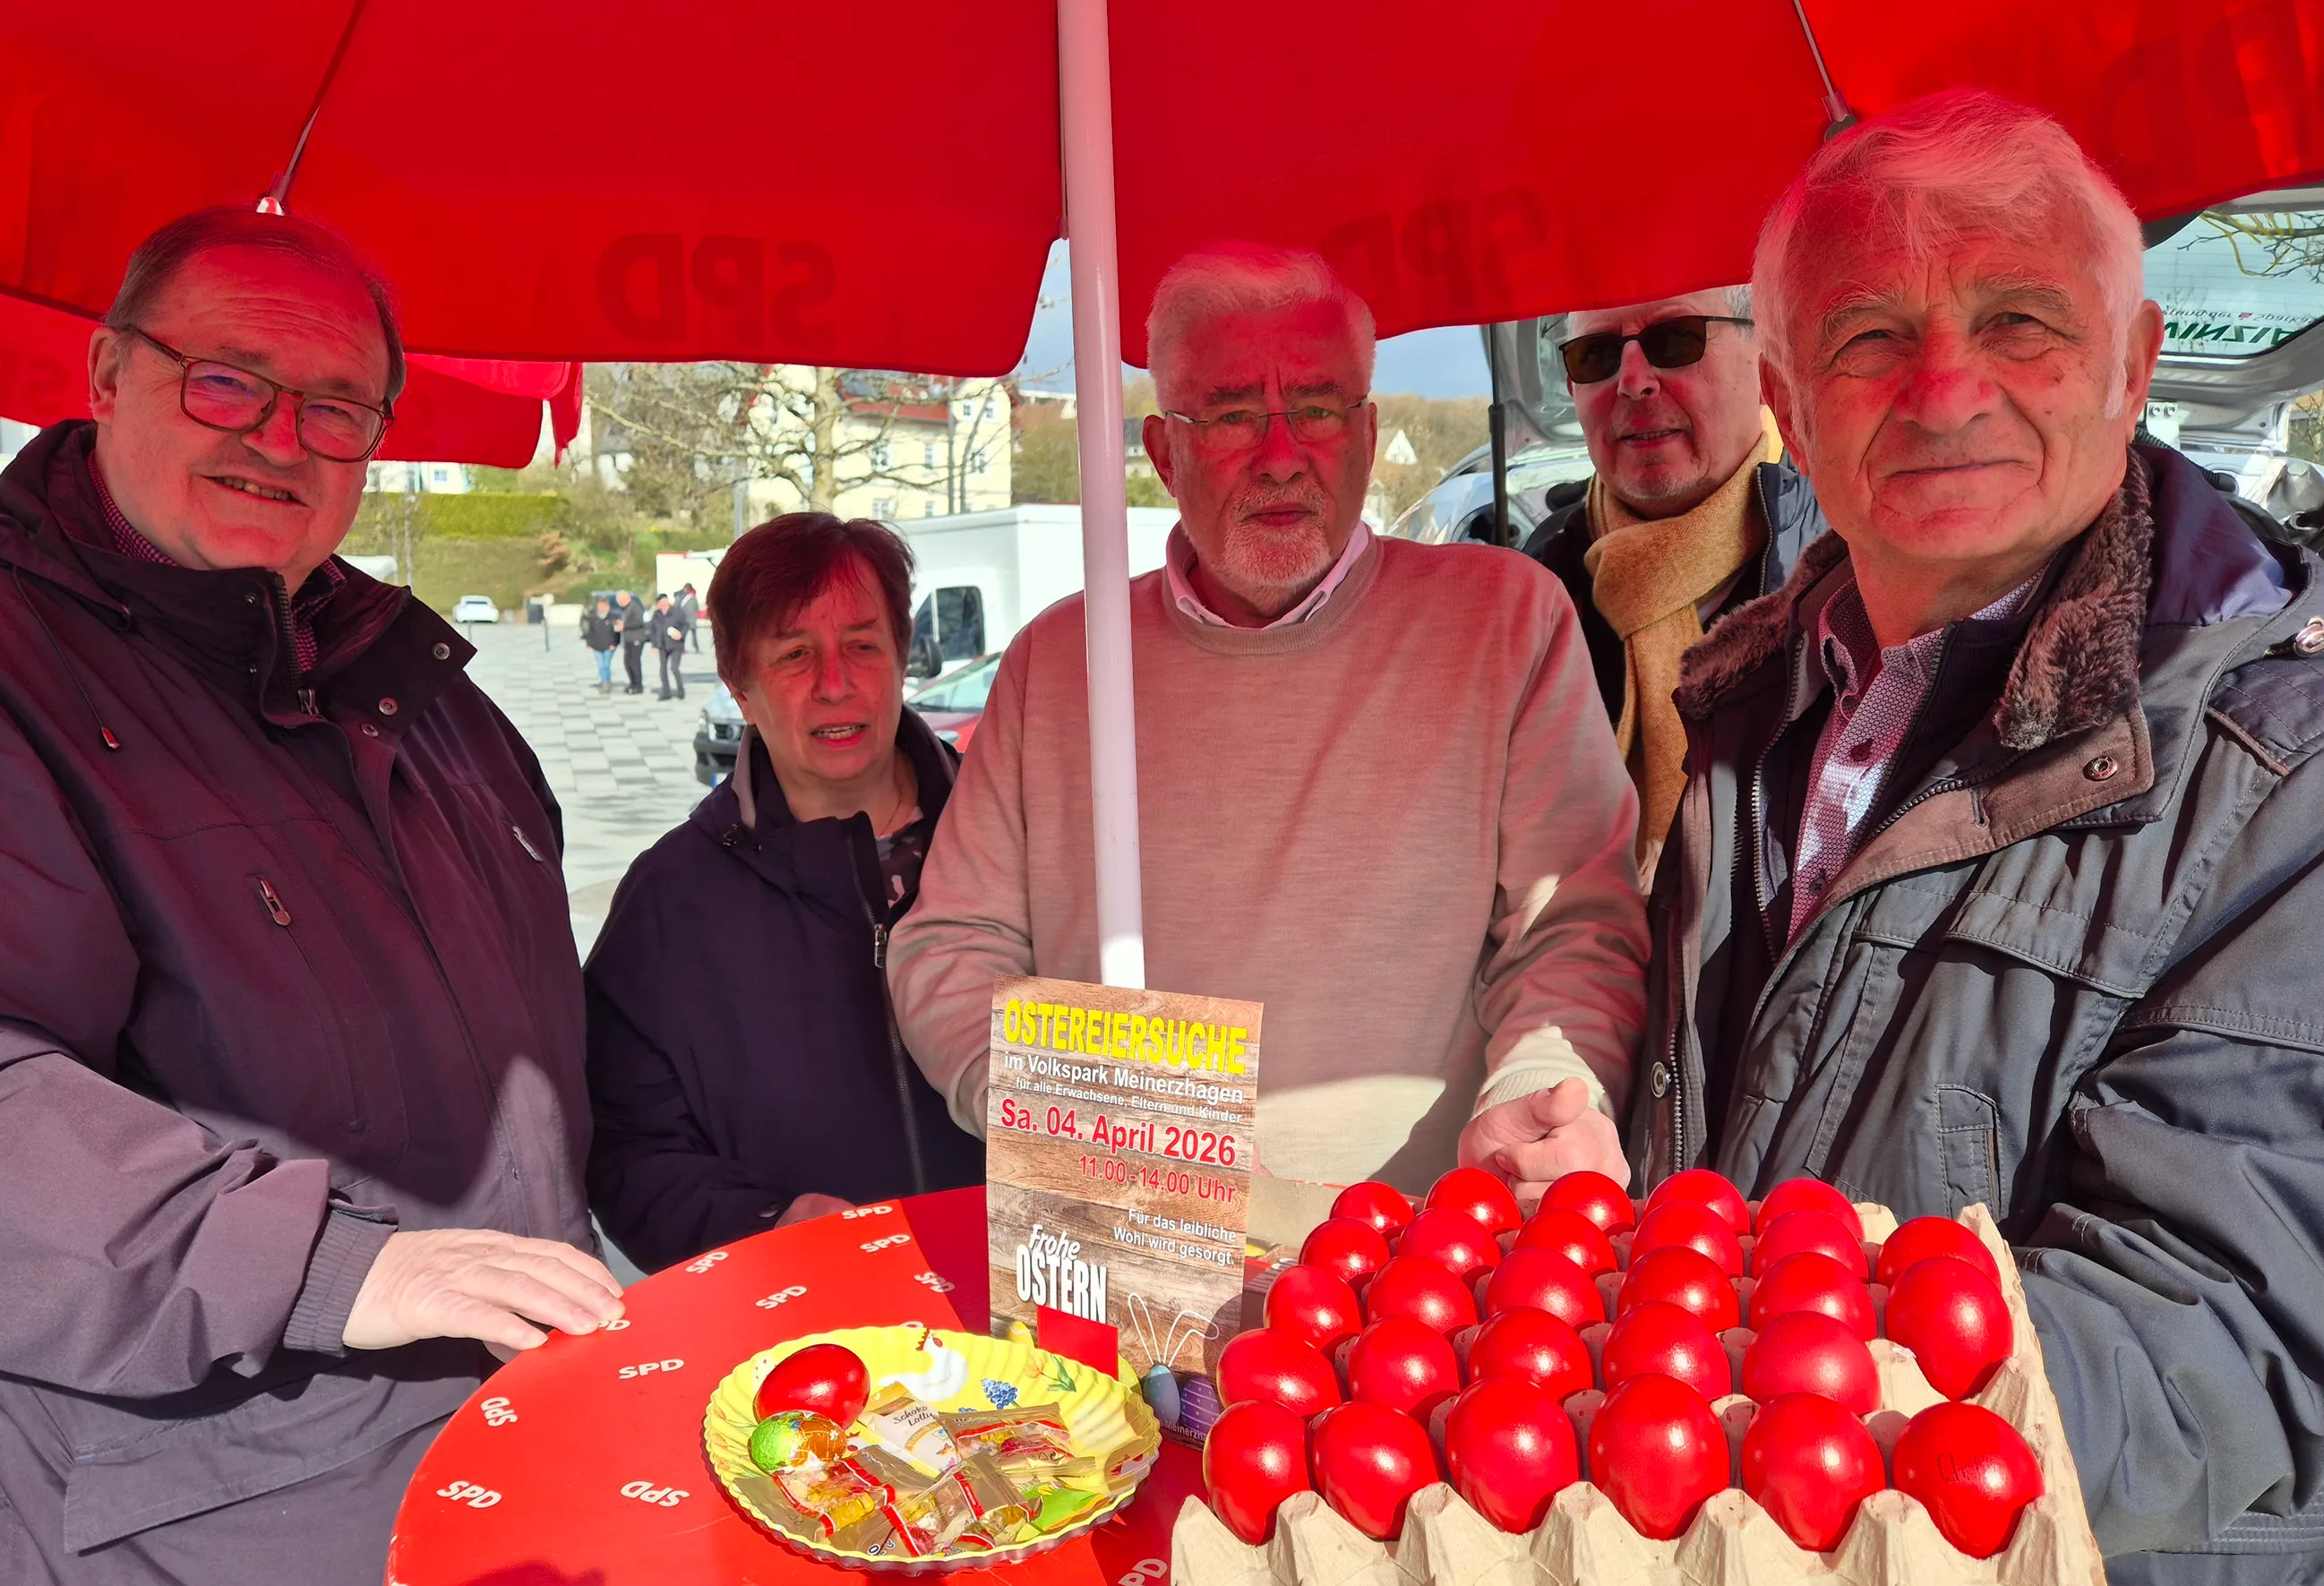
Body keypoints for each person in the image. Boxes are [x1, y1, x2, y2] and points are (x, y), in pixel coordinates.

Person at [0, 206, 621, 1586]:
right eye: (227, 382)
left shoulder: (419, 692)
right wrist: (339, 1265)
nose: (278, 438)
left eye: (335, 407)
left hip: (476, 1520)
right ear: (106, 376)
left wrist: (750, 1215)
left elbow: (548, 1063)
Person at [1627, 89, 2324, 1586]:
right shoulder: (1757, 706)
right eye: (1871, 337)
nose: (1946, 389)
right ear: (1790, 409)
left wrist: (1757, 1408)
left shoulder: (2293, 769)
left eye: (2020, 320)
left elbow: (2227, 1322)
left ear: (2134, 362)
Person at [889, 243, 1648, 1228]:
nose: (1281, 454)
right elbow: (951, 945)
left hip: (1414, 1261)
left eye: (1319, 408)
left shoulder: (1505, 622)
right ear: (1163, 453)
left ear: (1367, 433)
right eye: (1233, 414)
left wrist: (1542, 1089)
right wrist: (1044, 1097)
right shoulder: (1058, 664)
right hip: (1124, 1240)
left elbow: (1572, 929)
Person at [585, 513, 981, 1268]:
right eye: (795, 655)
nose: (836, 684)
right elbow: (626, 1148)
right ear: (739, 687)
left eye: (863, 645)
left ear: (903, 658)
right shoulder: (672, 903)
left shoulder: (1017, 843)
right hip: (807, 1320)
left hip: (1026, 1310)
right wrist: (764, 1226)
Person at [1522, 287, 1824, 885]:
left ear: (1765, 360)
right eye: (1596, 354)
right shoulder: (1535, 591)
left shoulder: (1853, 570)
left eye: (1675, 340)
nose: (1633, 381)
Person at [647, 589, 686, 699]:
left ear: (666, 602)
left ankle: (680, 690)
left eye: (662, 602)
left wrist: (681, 635)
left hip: (675, 645)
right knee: (663, 670)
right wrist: (654, 645)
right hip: (662, 645)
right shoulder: (656, 614)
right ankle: (666, 692)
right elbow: (653, 631)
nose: (660, 605)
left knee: (674, 668)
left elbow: (685, 625)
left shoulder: (677, 612)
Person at [582, 591, 617, 689]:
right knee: (601, 666)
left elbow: (616, 633)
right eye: (599, 606)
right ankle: (604, 682)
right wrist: (589, 644)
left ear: (607, 606)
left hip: (609, 646)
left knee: (606, 665)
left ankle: (607, 681)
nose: (600, 608)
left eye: (602, 606)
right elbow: (589, 632)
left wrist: (614, 644)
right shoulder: (593, 618)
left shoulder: (613, 617)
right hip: (596, 646)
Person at [613, 588, 646, 694]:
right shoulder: (625, 608)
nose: (619, 602)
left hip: (636, 638)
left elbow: (639, 621)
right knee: (627, 663)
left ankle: (638, 686)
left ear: (626, 598)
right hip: (628, 639)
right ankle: (632, 683)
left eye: (620, 600)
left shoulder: (635, 607)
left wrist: (625, 625)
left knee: (634, 663)